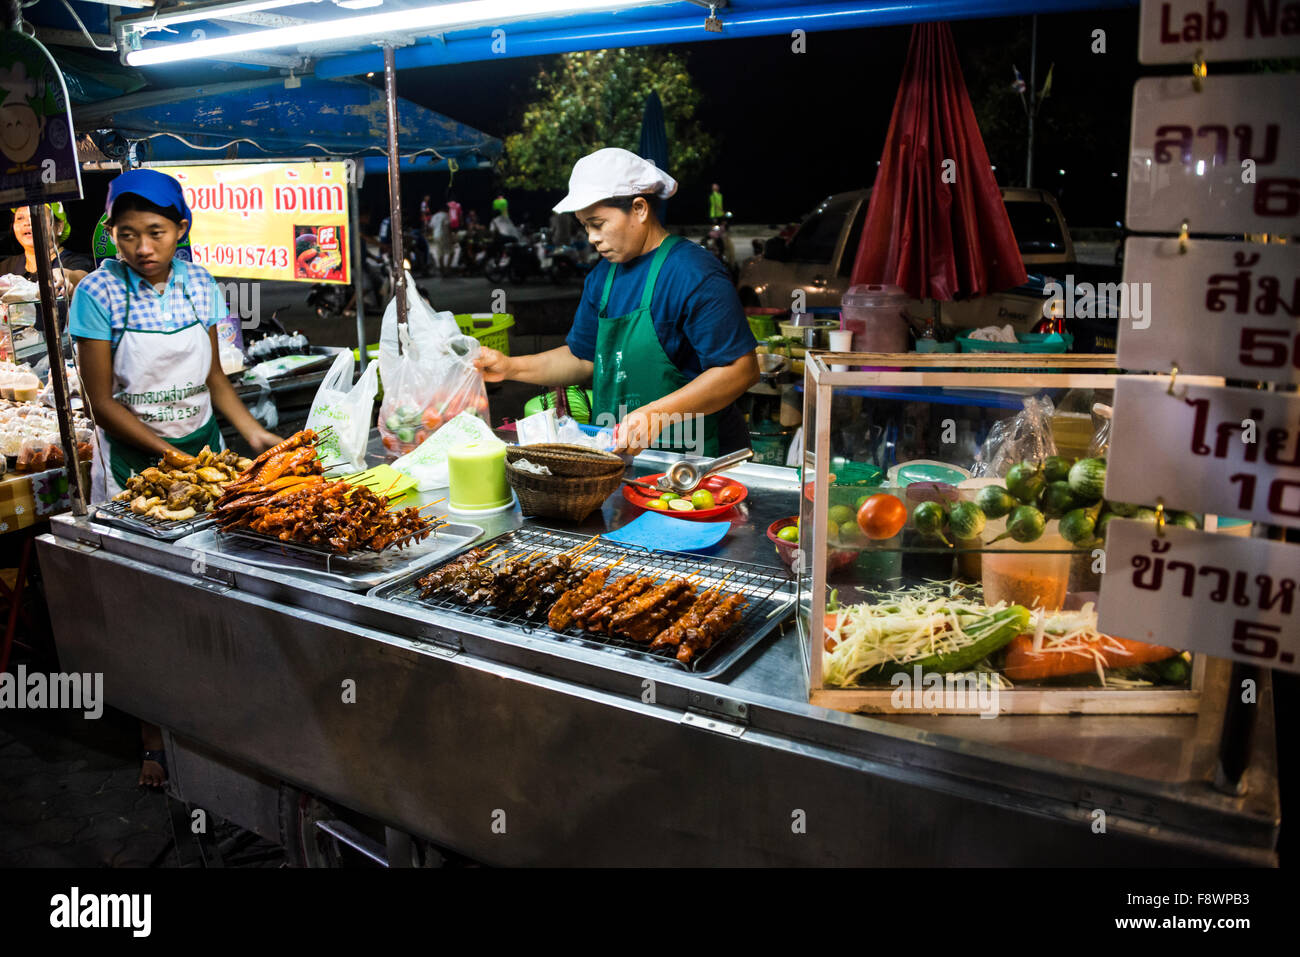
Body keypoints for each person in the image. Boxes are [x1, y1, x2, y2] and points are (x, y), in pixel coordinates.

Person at [69, 170, 283, 789]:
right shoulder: (98, 293)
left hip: (203, 458)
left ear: (181, 229)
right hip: (138, 471)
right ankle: (155, 737)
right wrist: (169, 456)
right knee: (144, 609)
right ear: (112, 234)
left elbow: (216, 382)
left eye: (156, 232)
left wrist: (251, 433)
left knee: (206, 598)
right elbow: (101, 400)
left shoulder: (199, 283)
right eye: (127, 233)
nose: (142, 247)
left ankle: (217, 722)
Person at [476, 148, 758, 457]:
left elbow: (740, 370)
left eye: (598, 223)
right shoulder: (602, 277)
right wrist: (508, 366)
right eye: (585, 226)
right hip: (619, 456)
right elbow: (582, 358)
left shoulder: (693, 273)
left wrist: (657, 413)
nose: (592, 238)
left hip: (696, 460)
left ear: (639, 209)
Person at [1, 203, 91, 296]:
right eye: (20, 218)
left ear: (59, 226)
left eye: (37, 216)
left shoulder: (77, 262)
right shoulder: (5, 267)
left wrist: (65, 274)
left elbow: (81, 277)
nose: (26, 223)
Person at [429, 202, 453, 276]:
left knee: (440, 253)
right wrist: (451, 236)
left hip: (436, 236)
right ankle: (447, 269)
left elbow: (431, 227)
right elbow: (448, 226)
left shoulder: (434, 216)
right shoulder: (446, 215)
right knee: (451, 252)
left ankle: (442, 271)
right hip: (444, 235)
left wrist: (432, 235)